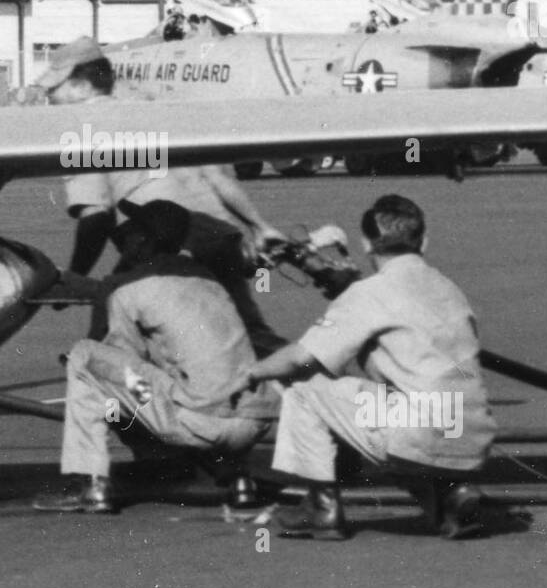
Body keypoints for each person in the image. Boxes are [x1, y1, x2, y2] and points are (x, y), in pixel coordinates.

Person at [230, 195, 496, 540]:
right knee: (398, 411)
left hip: (419, 428)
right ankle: (449, 497)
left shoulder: (371, 292)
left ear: (367, 243)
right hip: (472, 432)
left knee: (305, 385)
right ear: (424, 240)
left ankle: (321, 507)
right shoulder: (449, 288)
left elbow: (300, 356)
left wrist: (250, 374)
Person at [37, 36, 288, 354]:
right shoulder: (157, 112)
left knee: (115, 336)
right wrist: (260, 226)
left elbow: (96, 217)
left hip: (164, 244)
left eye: (53, 89)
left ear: (80, 84)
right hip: (221, 236)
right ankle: (303, 383)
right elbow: (217, 176)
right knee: (248, 333)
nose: (50, 98)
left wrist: (73, 278)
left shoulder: (83, 130)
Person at [33, 199, 280, 514]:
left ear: (141, 239)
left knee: (85, 358)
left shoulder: (125, 288)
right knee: (190, 368)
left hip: (200, 424)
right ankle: (234, 475)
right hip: (253, 420)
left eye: (133, 230)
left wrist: (100, 291)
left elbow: (115, 356)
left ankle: (91, 484)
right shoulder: (205, 276)